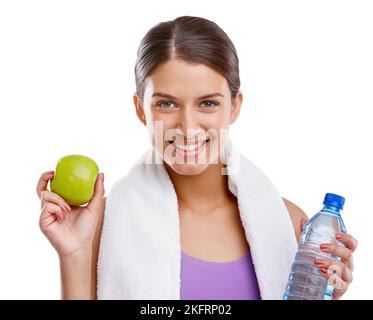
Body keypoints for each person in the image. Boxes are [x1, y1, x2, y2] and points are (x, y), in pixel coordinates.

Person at [36, 16, 357, 300]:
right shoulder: (102, 224)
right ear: (139, 109)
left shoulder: (288, 222)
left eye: (207, 104)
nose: (188, 128)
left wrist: (326, 294)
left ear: (234, 106)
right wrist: (74, 255)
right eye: (167, 104)